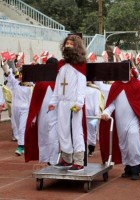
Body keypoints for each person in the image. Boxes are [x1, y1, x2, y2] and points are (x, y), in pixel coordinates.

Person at [100, 63, 140, 181]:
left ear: (130, 71)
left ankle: (136, 169)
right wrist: (106, 112)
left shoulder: (137, 85)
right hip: (120, 121)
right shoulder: (116, 85)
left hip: (134, 120)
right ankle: (128, 168)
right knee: (124, 145)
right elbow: (112, 103)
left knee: (134, 140)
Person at [48, 34, 87, 172]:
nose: (68, 45)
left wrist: (79, 103)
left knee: (76, 132)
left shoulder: (80, 65)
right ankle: (66, 158)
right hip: (62, 104)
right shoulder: (62, 66)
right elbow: (58, 86)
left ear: (76, 46)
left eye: (71, 43)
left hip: (74, 104)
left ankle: (79, 161)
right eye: (67, 43)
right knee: (62, 131)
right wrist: (53, 101)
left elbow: (82, 86)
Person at [24, 57, 59, 165]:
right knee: (46, 136)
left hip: (52, 115)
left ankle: (51, 159)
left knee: (51, 137)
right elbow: (35, 102)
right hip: (45, 115)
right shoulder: (41, 83)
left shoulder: (58, 82)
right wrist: (34, 117)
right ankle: (48, 159)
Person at [1, 59, 34, 156]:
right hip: (15, 109)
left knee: (21, 128)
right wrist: (4, 64)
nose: (20, 76)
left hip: (25, 110)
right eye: (19, 74)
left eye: (22, 75)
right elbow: (8, 73)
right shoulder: (15, 83)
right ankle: (24, 143)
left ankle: (20, 146)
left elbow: (32, 100)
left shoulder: (31, 87)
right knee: (17, 128)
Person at [85, 81, 102, 156]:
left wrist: (96, 113)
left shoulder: (95, 90)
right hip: (84, 110)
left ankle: (91, 148)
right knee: (85, 129)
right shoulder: (81, 88)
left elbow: (96, 101)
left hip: (91, 112)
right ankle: (87, 148)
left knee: (91, 129)